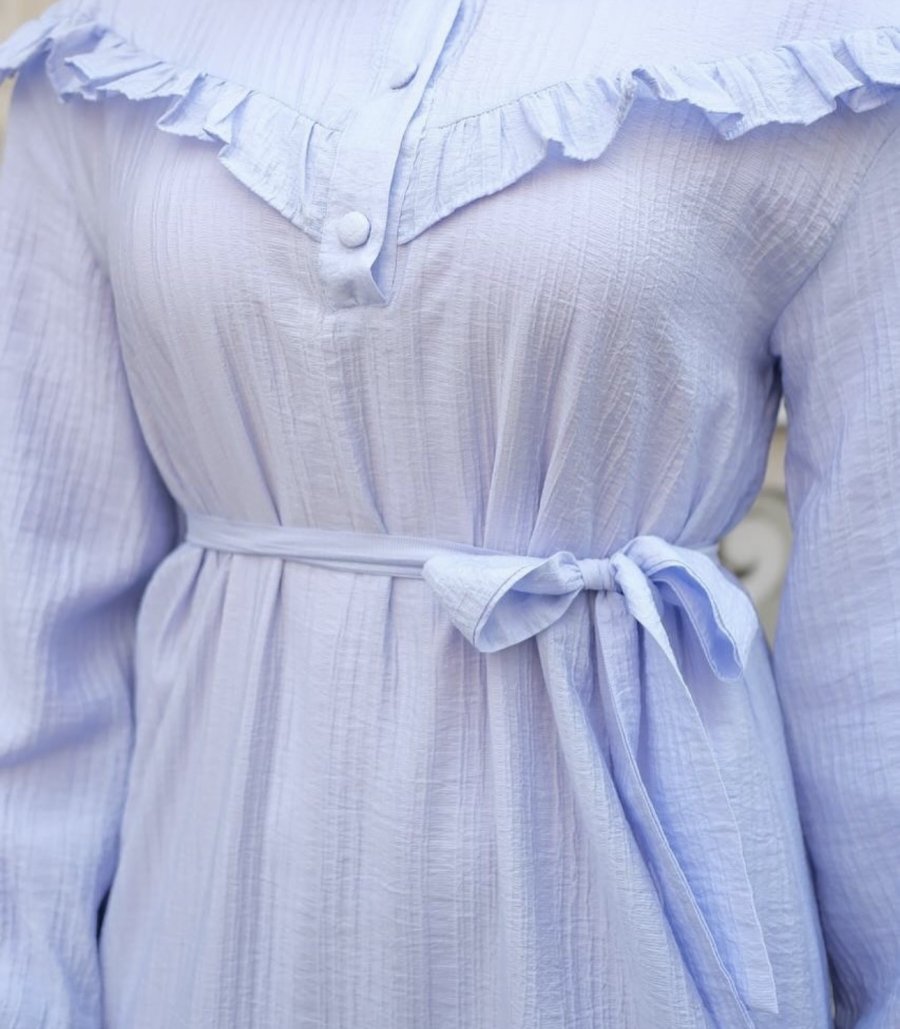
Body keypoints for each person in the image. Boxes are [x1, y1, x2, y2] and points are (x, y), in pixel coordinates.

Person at [0, 0, 898, 1025]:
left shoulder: (821, 44)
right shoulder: (115, 47)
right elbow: (37, 636)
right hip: (210, 925)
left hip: (639, 938)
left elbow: (875, 658)